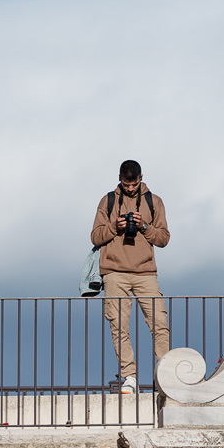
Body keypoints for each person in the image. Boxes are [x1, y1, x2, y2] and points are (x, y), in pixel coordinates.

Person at [90, 160, 170, 393]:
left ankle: (165, 376)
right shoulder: (108, 201)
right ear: (120, 179)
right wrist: (115, 227)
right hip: (114, 273)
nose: (131, 188)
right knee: (119, 326)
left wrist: (144, 226)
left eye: (134, 184)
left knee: (160, 324)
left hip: (146, 273)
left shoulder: (154, 202)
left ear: (141, 178)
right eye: (127, 184)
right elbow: (95, 237)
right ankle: (129, 377)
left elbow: (164, 238)